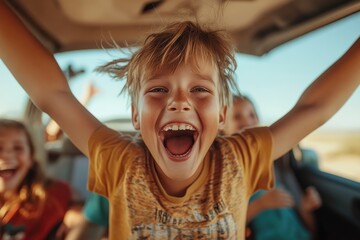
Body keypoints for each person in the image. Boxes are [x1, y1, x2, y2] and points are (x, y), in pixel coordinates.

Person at [1, 2, 359, 238]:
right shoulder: (121, 162)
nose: (179, 101)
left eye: (200, 91)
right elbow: (53, 95)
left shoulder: (240, 158)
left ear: (221, 115)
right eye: (158, 90)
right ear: (136, 117)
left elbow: (315, 107)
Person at [223, 95, 322, 240]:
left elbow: (308, 227)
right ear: (221, 125)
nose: (247, 122)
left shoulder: (273, 165)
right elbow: (227, 225)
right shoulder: (226, 174)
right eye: (237, 116)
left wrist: (304, 207)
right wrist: (261, 204)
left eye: (252, 115)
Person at [0, 119, 71, 239]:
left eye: (18, 148)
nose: (7, 155)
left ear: (31, 158)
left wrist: (76, 212)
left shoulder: (49, 197)